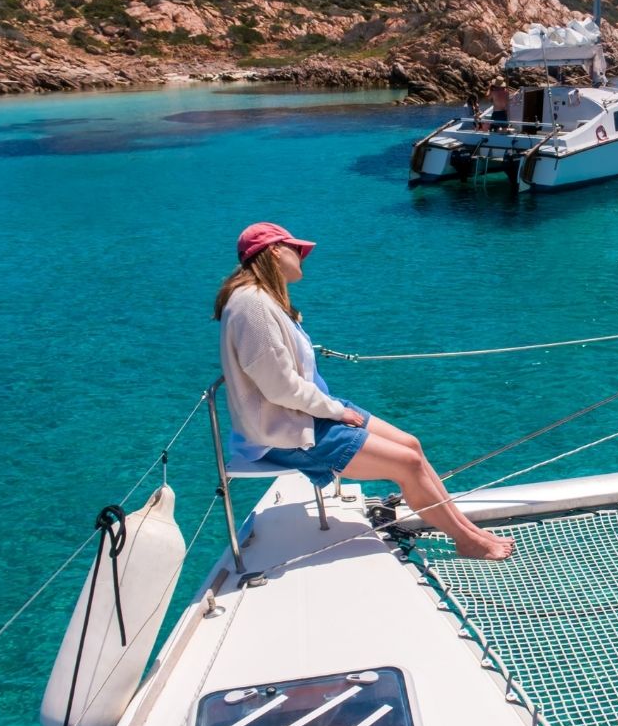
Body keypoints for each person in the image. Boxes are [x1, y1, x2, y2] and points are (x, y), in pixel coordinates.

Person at [215, 222, 513, 559]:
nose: (303, 256)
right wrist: (337, 412)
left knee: (411, 444)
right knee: (408, 463)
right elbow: (280, 388)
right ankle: (466, 540)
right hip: (284, 430)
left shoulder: (262, 300)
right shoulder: (252, 305)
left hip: (307, 414)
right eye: (296, 249)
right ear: (273, 251)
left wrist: (330, 409)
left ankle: (466, 529)